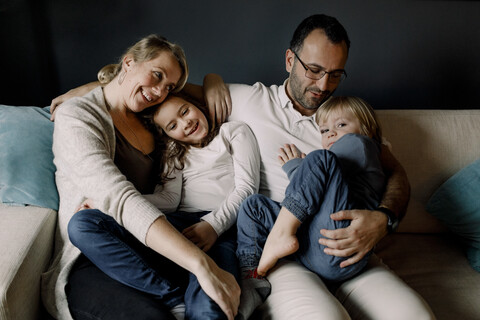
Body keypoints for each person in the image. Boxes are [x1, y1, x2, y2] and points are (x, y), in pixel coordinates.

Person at [41, 34, 241, 320]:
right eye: (157, 75)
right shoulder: (77, 116)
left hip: (163, 243)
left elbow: (185, 104)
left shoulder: (155, 120)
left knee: (212, 308)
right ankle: (174, 299)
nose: (159, 92)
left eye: (168, 87)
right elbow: (118, 198)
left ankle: (186, 296)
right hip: (96, 255)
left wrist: (212, 80)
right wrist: (200, 265)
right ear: (128, 62)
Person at [235, 96, 386, 319]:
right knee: (253, 205)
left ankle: (281, 235)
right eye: (324, 130)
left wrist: (298, 167)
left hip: (340, 245)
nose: (331, 133)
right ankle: (251, 278)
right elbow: (316, 187)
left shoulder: (363, 145)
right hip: (312, 244)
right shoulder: (341, 153)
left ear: (366, 128)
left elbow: (322, 165)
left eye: (341, 125)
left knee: (320, 158)